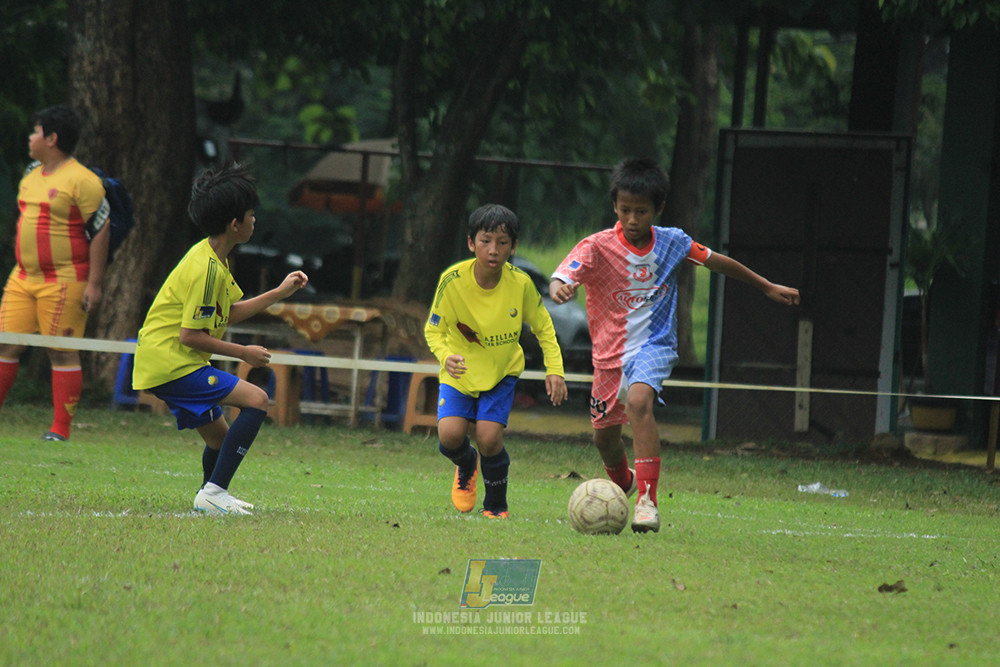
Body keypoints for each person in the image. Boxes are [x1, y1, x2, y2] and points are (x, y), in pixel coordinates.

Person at [549, 157, 800, 533]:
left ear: (658, 209)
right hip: (609, 357)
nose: (633, 219)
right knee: (604, 438)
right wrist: (561, 290)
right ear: (614, 206)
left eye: (641, 211)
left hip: (655, 345)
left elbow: (718, 262)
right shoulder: (596, 247)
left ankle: (647, 501)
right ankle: (625, 486)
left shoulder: (673, 242)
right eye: (625, 210)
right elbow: (560, 277)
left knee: (638, 402)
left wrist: (766, 286)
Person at [132, 163, 308, 515]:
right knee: (257, 399)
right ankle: (214, 493)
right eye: (251, 214)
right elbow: (190, 335)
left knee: (218, 437)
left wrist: (278, 292)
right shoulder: (206, 269)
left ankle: (208, 497)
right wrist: (243, 352)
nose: (254, 220)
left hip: (169, 360)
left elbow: (225, 314)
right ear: (235, 224)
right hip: (171, 362)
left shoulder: (212, 258)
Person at [425, 204, 568, 519]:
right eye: (486, 241)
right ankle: (466, 464)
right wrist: (446, 357)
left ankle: (496, 504)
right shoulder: (452, 281)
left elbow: (544, 328)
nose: (493, 250)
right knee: (449, 437)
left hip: (502, 373)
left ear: (513, 247)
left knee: (489, 437)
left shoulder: (520, 284)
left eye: (502, 243)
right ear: (470, 243)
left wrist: (555, 370)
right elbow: (433, 330)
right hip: (460, 373)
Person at [0, 105, 110, 442]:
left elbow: (101, 229)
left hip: (65, 280)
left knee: (60, 350)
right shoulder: (32, 173)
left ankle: (60, 429)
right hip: (22, 278)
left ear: (52, 138)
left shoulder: (84, 181)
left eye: (36, 132)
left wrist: (94, 283)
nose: (30, 138)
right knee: (6, 345)